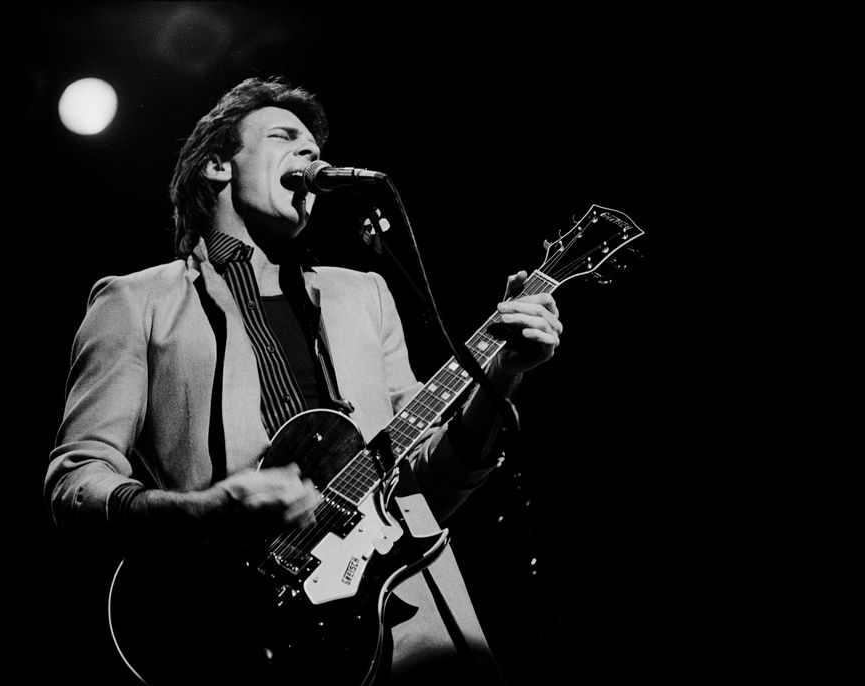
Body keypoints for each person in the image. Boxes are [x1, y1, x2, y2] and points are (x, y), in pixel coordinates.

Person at [45, 76, 562, 685]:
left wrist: (502, 374)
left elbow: (425, 483)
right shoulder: (137, 302)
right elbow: (77, 480)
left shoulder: (364, 294)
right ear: (217, 166)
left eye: (314, 146)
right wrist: (203, 510)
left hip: (411, 614)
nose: (310, 153)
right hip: (233, 624)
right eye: (283, 136)